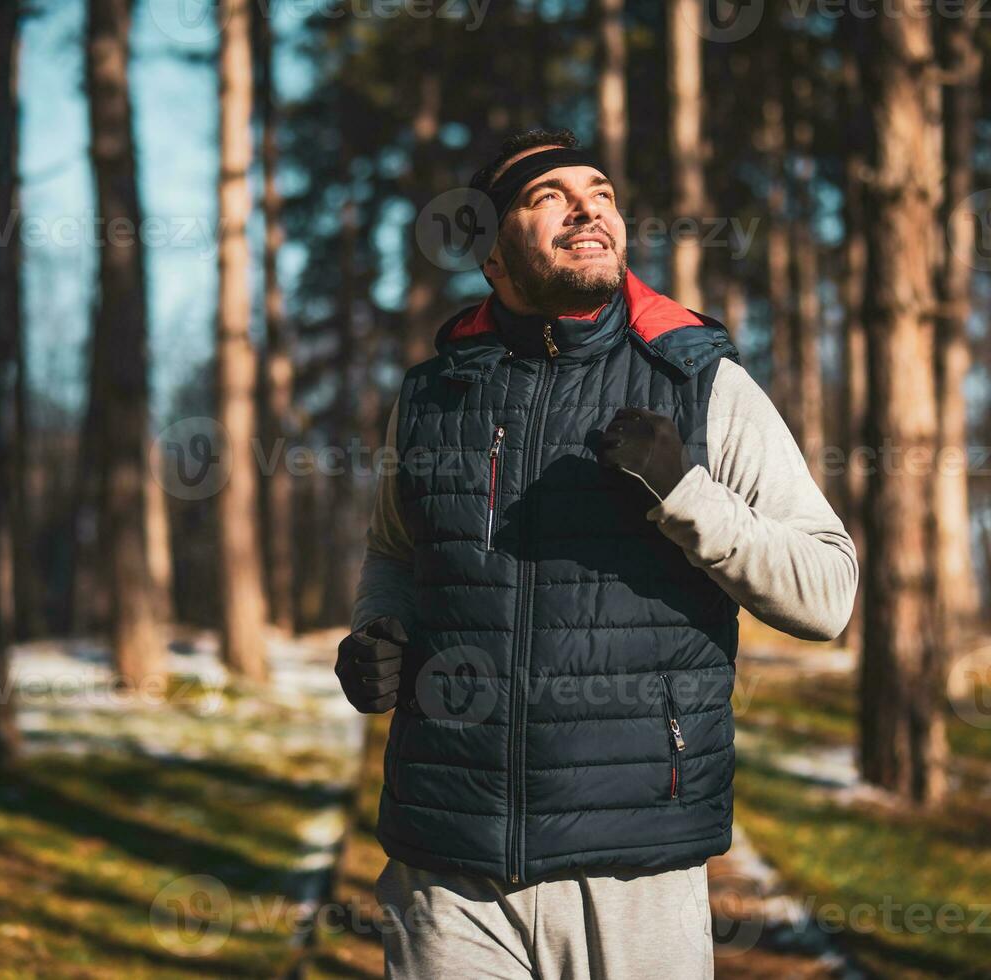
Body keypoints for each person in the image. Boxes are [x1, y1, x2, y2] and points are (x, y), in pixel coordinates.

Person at [335, 127, 857, 979]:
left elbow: (828, 592)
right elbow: (393, 552)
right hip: (448, 868)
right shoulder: (433, 397)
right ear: (492, 256)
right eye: (549, 198)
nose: (588, 210)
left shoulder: (701, 382)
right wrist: (378, 633)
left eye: (602, 194)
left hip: (635, 866)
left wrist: (687, 495)